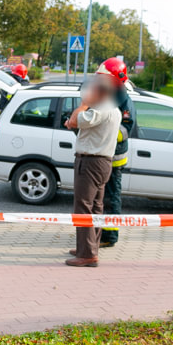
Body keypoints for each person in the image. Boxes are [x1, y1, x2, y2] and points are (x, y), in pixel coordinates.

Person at [64, 73, 121, 267]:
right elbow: (79, 124)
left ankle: (87, 254)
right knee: (96, 207)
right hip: (102, 162)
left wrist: (85, 104)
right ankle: (88, 247)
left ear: (100, 91)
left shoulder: (99, 110)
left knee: (83, 207)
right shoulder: (112, 109)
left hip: (90, 163)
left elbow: (74, 120)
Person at [96, 58, 135, 248]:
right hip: (104, 154)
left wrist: (107, 133)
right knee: (101, 198)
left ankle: (109, 236)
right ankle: (99, 231)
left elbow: (127, 128)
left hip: (114, 157)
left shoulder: (123, 98)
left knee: (111, 198)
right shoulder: (110, 93)